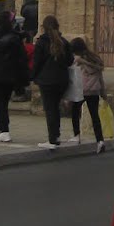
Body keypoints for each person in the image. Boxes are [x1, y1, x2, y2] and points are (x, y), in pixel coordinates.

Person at [0, 8, 30, 142]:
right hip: (10, 75)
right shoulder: (15, 38)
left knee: (0, 104)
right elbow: (21, 58)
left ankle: (4, 130)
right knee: (3, 103)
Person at [31, 14, 73, 150]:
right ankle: (56, 135)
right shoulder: (64, 42)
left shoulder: (42, 42)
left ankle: (52, 139)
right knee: (55, 108)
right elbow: (70, 61)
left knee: (50, 109)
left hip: (47, 80)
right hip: (61, 80)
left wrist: (33, 77)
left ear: (44, 27)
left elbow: (37, 62)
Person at [65, 35, 107, 153]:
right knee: (95, 116)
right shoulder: (95, 58)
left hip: (81, 90)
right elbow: (100, 76)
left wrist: (69, 95)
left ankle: (76, 136)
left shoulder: (77, 60)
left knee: (75, 112)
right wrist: (103, 92)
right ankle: (100, 140)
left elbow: (74, 78)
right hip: (94, 91)